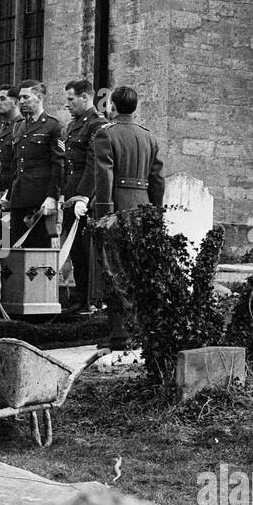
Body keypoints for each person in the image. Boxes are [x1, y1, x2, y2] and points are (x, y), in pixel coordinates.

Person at [73, 85, 165, 351]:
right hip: (143, 207)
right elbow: (157, 180)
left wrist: (103, 214)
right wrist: (155, 213)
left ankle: (120, 334)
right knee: (137, 269)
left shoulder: (106, 134)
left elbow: (104, 177)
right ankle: (137, 329)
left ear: (112, 106)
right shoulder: (149, 137)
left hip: (117, 208)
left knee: (114, 270)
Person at [61, 79, 107, 313]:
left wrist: (82, 196)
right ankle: (80, 296)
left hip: (86, 196)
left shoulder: (97, 125)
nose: (67, 104)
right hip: (72, 192)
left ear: (86, 97)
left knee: (85, 246)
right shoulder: (73, 125)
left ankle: (89, 298)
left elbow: (93, 164)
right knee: (75, 248)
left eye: (71, 99)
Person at [7, 79, 65, 247]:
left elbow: (58, 164)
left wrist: (52, 196)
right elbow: (16, 163)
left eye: (26, 97)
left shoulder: (53, 126)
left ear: (39, 97)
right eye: (20, 98)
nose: (22, 102)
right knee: (17, 249)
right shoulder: (20, 127)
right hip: (19, 198)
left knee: (38, 251)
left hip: (40, 200)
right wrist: (9, 194)